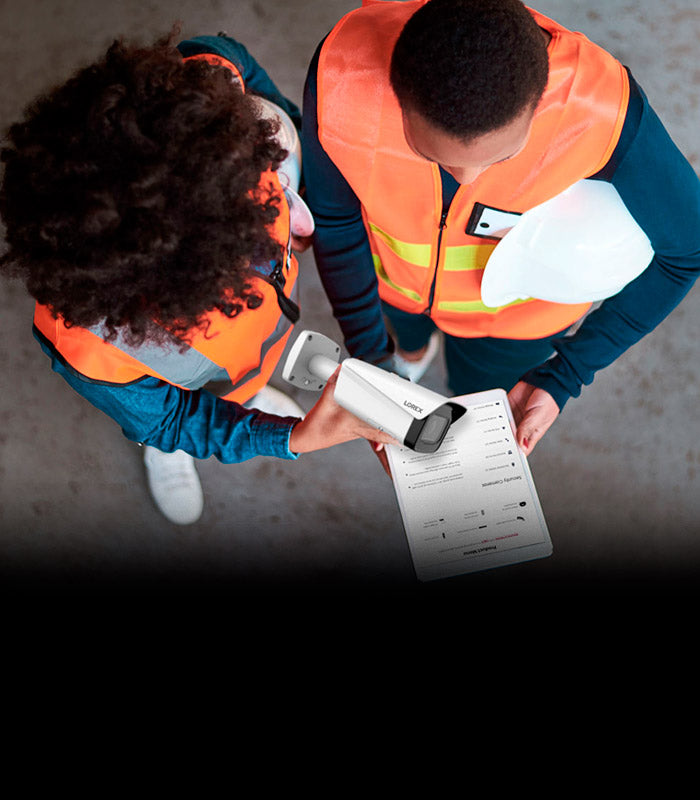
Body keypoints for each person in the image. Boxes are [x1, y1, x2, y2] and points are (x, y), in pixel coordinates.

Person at [0, 28, 394, 525]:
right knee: (180, 417)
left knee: (244, 382)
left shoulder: (221, 133)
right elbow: (169, 417)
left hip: (248, 353)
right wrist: (286, 437)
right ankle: (167, 452)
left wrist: (286, 139)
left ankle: (249, 393)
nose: (284, 223)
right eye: (244, 247)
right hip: (183, 392)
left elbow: (227, 61)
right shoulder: (91, 346)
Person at [301, 0, 700, 462]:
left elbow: (686, 253)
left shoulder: (600, 109)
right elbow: (336, 219)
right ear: (398, 98)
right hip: (393, 285)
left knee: (476, 401)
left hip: (514, 327)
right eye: (431, 155)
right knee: (405, 339)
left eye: (502, 157)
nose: (469, 179)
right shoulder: (343, 76)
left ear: (540, 102)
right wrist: (372, 357)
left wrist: (567, 372)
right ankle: (410, 354)